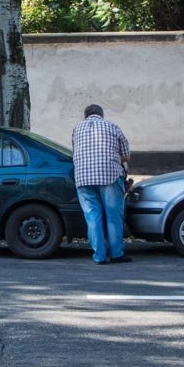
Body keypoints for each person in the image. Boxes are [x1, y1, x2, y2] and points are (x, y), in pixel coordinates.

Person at [71, 104, 132, 264]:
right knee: (113, 216)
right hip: (109, 176)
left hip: (83, 178)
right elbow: (126, 156)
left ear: (85, 116)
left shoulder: (77, 129)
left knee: (92, 217)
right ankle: (117, 254)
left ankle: (99, 256)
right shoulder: (112, 126)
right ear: (101, 115)